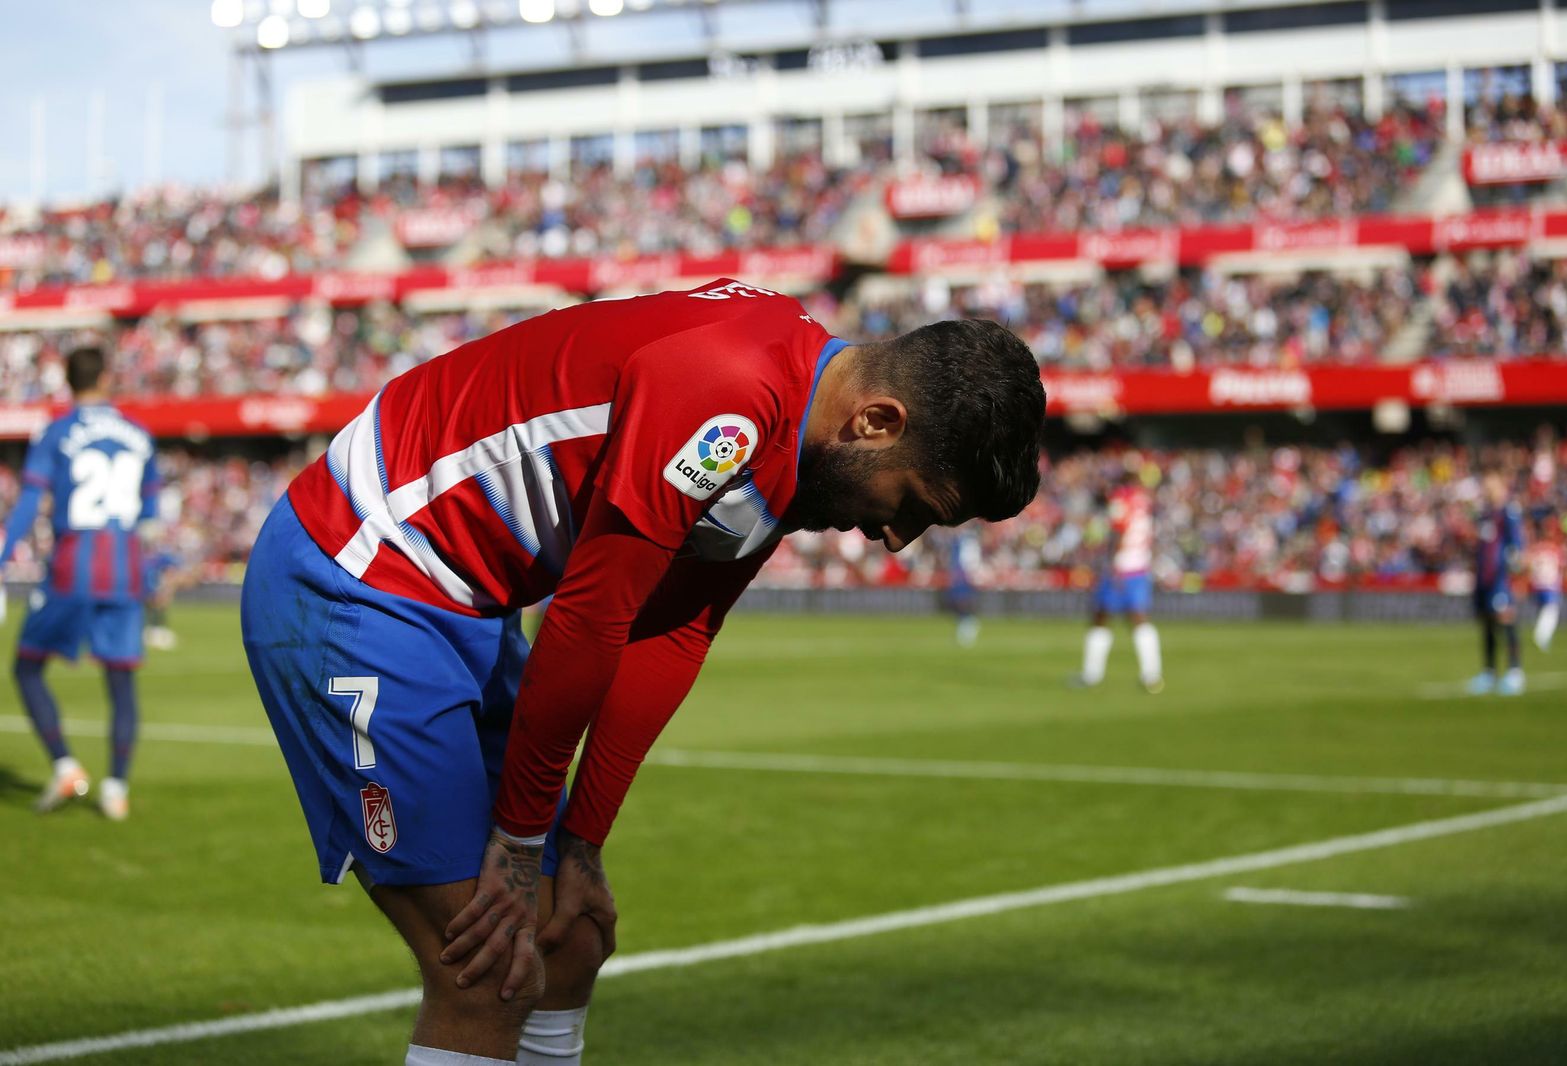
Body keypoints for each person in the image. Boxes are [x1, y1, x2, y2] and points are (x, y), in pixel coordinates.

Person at [240, 279, 1045, 1066]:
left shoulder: (798, 421)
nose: (897, 538)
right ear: (875, 422)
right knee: (490, 972)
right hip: (358, 577)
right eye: (912, 504)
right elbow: (589, 617)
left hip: (461, 605)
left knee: (571, 939)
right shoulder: (730, 395)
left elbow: (676, 630)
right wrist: (521, 845)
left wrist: (581, 843)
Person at [0, 346, 159, 820]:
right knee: (121, 681)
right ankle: (115, 787)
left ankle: (65, 765)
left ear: (68, 381)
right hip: (126, 570)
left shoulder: (57, 431)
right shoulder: (139, 433)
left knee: (27, 668)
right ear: (108, 377)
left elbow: (30, 501)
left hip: (73, 567)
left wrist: (4, 558)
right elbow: (149, 516)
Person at [1076, 465, 1163, 693]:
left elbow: (1119, 531)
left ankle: (1091, 675)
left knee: (1101, 617)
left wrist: (1113, 563)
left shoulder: (1122, 499)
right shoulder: (1144, 501)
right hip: (1139, 567)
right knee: (1138, 618)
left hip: (1121, 567)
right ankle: (1152, 675)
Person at [1468, 469, 1525, 696]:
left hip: (1500, 577)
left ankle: (1515, 672)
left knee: (1506, 619)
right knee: (1487, 623)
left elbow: (1516, 546)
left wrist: (1516, 575)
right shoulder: (1484, 515)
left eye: (1490, 486)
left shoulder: (1508, 513)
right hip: (1484, 577)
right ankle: (1489, 672)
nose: (1486, 490)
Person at [1527, 513, 1565, 653]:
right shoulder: (1554, 548)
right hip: (1550, 584)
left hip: (1537, 584)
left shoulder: (1535, 548)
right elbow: (1561, 566)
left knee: (1544, 610)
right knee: (1551, 611)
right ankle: (1541, 636)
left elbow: (1528, 564)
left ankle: (1541, 636)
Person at [940, 526, 984, 647]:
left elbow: (970, 562)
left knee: (963, 601)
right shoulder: (956, 542)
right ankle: (966, 623)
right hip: (958, 576)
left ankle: (968, 625)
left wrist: (968, 575)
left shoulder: (968, 542)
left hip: (963, 576)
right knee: (955, 602)